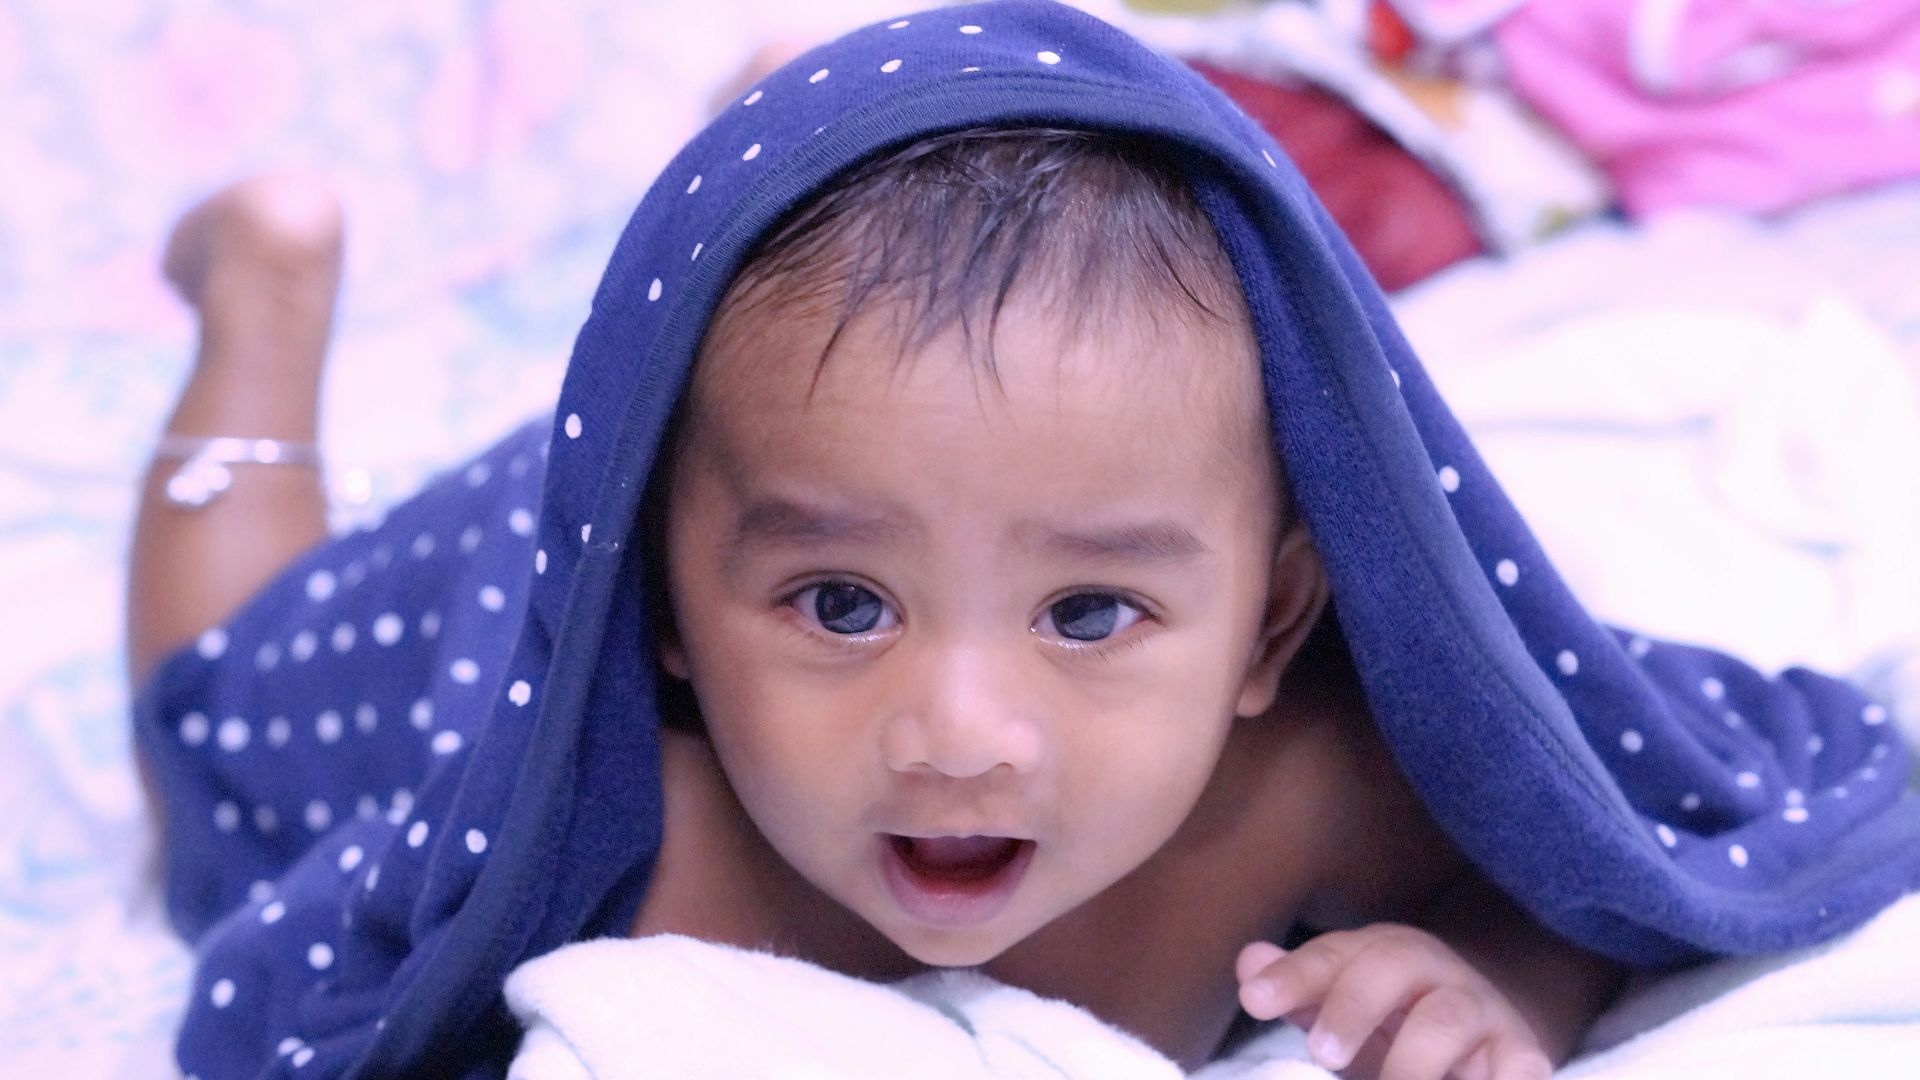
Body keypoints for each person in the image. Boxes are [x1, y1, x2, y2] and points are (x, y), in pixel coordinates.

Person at [127, 3, 1920, 1078]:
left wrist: (1495, 975)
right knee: (213, 729)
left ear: (1275, 627)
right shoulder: (624, 851)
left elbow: (1590, 843)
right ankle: (261, 308)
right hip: (519, 565)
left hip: (803, 455)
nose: (959, 731)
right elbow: (297, 981)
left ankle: (783, 185)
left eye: (1088, 613)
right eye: (849, 611)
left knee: (846, 430)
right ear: (677, 610)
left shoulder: (1313, 793)